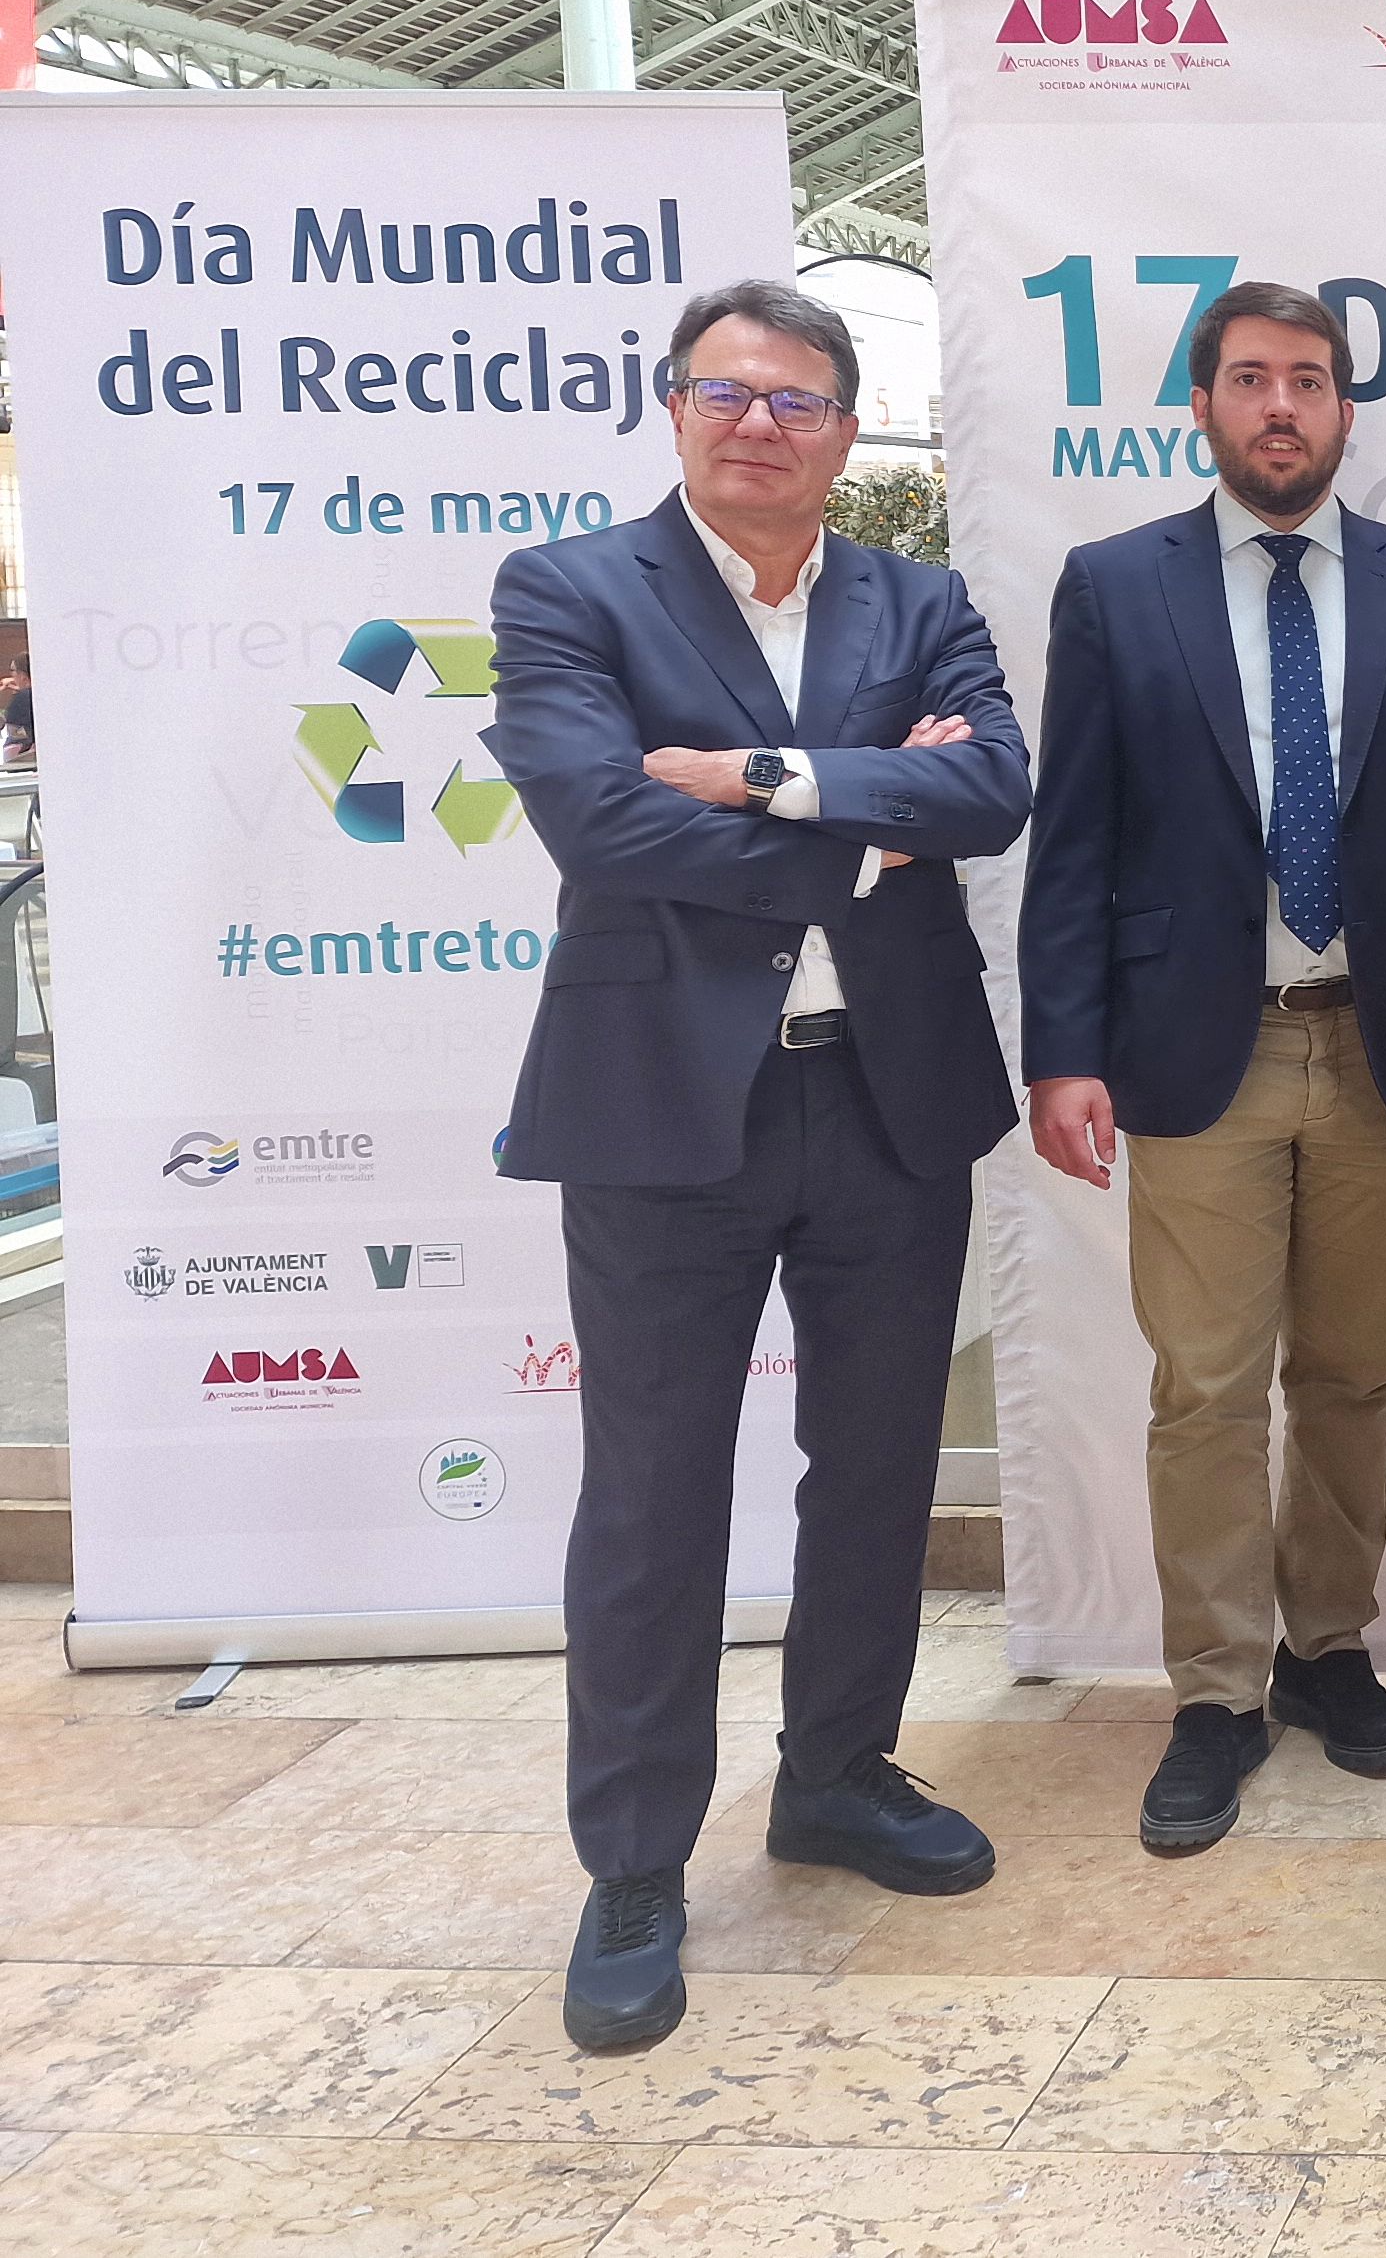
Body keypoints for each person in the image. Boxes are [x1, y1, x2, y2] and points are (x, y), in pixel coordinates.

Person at [488, 279, 1031, 2051]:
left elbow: (993, 792)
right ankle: (636, 1862)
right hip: (661, 1111)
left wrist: (768, 781)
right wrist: (867, 820)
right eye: (725, 393)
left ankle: (838, 1776)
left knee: (872, 1466)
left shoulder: (919, 595)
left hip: (888, 1097)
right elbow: (602, 816)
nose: (759, 424)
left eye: (797, 401)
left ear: (845, 433)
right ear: (673, 410)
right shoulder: (572, 590)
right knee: (653, 1496)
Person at [1019, 282, 1386, 1855]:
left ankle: (1327, 1652)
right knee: (1205, 1388)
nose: (1278, 405)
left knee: (1352, 1375)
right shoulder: (1113, 586)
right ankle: (1215, 1693)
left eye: (1307, 380)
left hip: (1382, 1048)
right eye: (1247, 380)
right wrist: (1062, 1051)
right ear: (1201, 407)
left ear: (1347, 410)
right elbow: (1073, 835)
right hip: (1189, 1050)